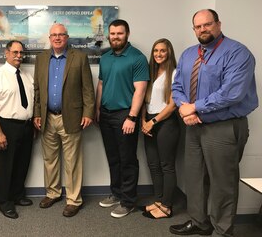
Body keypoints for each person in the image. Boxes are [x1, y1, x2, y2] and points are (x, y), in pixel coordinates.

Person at [170, 9, 258, 236]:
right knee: (195, 177)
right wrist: (184, 109)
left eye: (207, 24)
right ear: (194, 29)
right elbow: (177, 86)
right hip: (193, 126)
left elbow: (232, 93)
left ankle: (222, 231)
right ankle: (200, 222)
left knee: (223, 183)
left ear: (218, 24)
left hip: (224, 127)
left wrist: (196, 107)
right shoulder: (189, 54)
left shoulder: (238, 53)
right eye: (198, 26)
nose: (203, 29)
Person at [33, 23, 95, 217]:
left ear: (67, 37)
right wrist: (37, 113)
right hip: (47, 117)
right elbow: (37, 90)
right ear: (49, 38)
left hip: (72, 117)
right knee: (49, 159)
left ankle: (74, 199)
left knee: (72, 160)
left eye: (61, 35)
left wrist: (88, 113)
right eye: (54, 35)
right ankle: (52, 193)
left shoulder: (80, 58)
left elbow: (88, 89)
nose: (57, 38)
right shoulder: (41, 59)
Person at [96, 19, 149, 218]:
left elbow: (140, 90)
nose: (115, 37)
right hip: (106, 114)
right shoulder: (105, 57)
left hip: (125, 115)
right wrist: (97, 108)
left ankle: (128, 201)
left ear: (127, 34)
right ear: (108, 35)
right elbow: (101, 84)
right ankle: (117, 193)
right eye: (113, 33)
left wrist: (132, 117)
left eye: (120, 33)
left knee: (127, 159)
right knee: (113, 157)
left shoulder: (137, 58)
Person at [0, 40, 34, 219]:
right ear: (6, 53)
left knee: (22, 163)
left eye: (21, 53)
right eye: (15, 52)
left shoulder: (27, 76)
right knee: (4, 166)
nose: (19, 56)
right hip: (5, 126)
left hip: (25, 127)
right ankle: (5, 202)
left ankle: (17, 195)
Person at [140, 38, 180, 219]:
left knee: (166, 166)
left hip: (166, 123)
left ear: (169, 52)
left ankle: (166, 206)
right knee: (153, 165)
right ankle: (158, 201)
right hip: (148, 121)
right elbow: (144, 99)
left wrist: (153, 122)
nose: (158, 54)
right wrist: (143, 121)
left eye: (162, 50)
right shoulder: (151, 72)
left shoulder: (174, 74)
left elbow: (172, 105)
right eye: (156, 50)